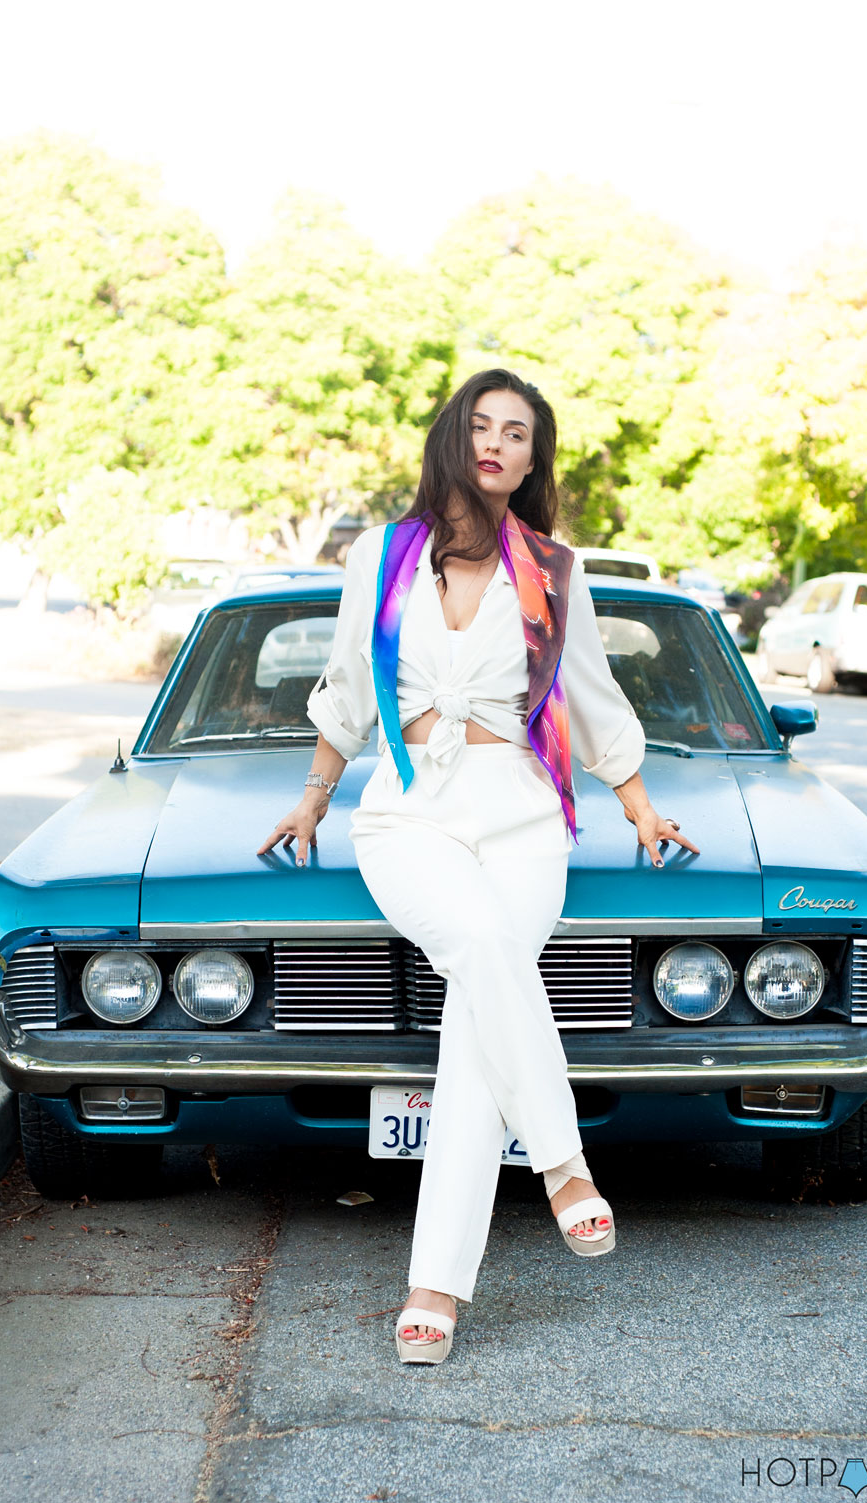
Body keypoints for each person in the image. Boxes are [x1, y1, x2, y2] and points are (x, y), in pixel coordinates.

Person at [257, 369, 700, 1364]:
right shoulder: (382, 553)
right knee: (483, 947)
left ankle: (432, 1291)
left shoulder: (553, 568)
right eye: (482, 425)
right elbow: (344, 684)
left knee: (475, 1029)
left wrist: (635, 803)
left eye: (518, 433)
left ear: (533, 461)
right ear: (453, 439)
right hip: (408, 812)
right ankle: (562, 1165)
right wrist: (315, 793)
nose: (496, 441)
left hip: (523, 815)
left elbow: (591, 695)